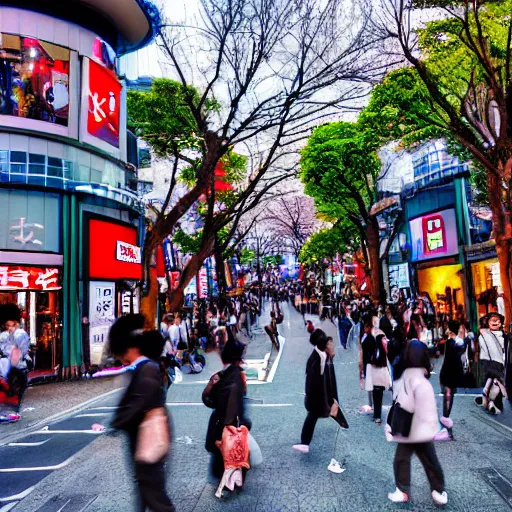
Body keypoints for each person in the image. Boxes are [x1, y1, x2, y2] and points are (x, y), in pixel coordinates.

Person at [109, 314, 175, 512]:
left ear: (131, 348)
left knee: (154, 493)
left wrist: (117, 421)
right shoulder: (143, 367)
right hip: (144, 437)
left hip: (149, 437)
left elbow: (138, 401)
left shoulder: (146, 368)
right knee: (147, 489)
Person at [386, 340, 447, 506]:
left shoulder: (408, 376)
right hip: (416, 427)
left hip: (411, 427)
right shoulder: (418, 378)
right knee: (428, 460)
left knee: (404, 459)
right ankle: (437, 490)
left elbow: (399, 401)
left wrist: (392, 424)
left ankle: (405, 490)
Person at [202, 332, 250, 483]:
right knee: (230, 456)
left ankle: (229, 480)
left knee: (223, 457)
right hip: (230, 424)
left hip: (224, 424)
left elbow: (208, 400)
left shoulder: (225, 376)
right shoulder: (234, 376)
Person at [293, 329, 338, 454]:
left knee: (312, 417)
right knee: (312, 416)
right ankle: (305, 442)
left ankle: (305, 443)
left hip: (317, 394)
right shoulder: (319, 358)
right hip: (317, 394)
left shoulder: (319, 356)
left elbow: (313, 380)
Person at [439, 320, 469, 439]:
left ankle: (446, 428)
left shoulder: (452, 342)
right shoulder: (457, 342)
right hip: (454, 372)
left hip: (448, 373)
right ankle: (446, 427)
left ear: (450, 330)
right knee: (449, 397)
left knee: (447, 397)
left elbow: (449, 359)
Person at [475, 312, 509, 414]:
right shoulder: (483, 334)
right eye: (492, 320)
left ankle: (489, 399)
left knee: (495, 381)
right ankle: (491, 401)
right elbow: (481, 349)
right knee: (496, 380)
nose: (495, 322)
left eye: (497, 320)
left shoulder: (505, 335)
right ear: (487, 322)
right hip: (488, 361)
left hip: (501, 362)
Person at [0, 303, 31, 415]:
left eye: (12, 325)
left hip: (14, 369)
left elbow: (17, 354)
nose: (9, 328)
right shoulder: (5, 336)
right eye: (7, 325)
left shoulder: (19, 335)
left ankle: (12, 410)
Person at [368, 334, 391, 425]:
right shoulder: (378, 350)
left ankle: (377, 415)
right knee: (376, 396)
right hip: (377, 377)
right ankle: (376, 414)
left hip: (379, 377)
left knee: (378, 396)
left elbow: (380, 363)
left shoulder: (381, 351)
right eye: (383, 339)